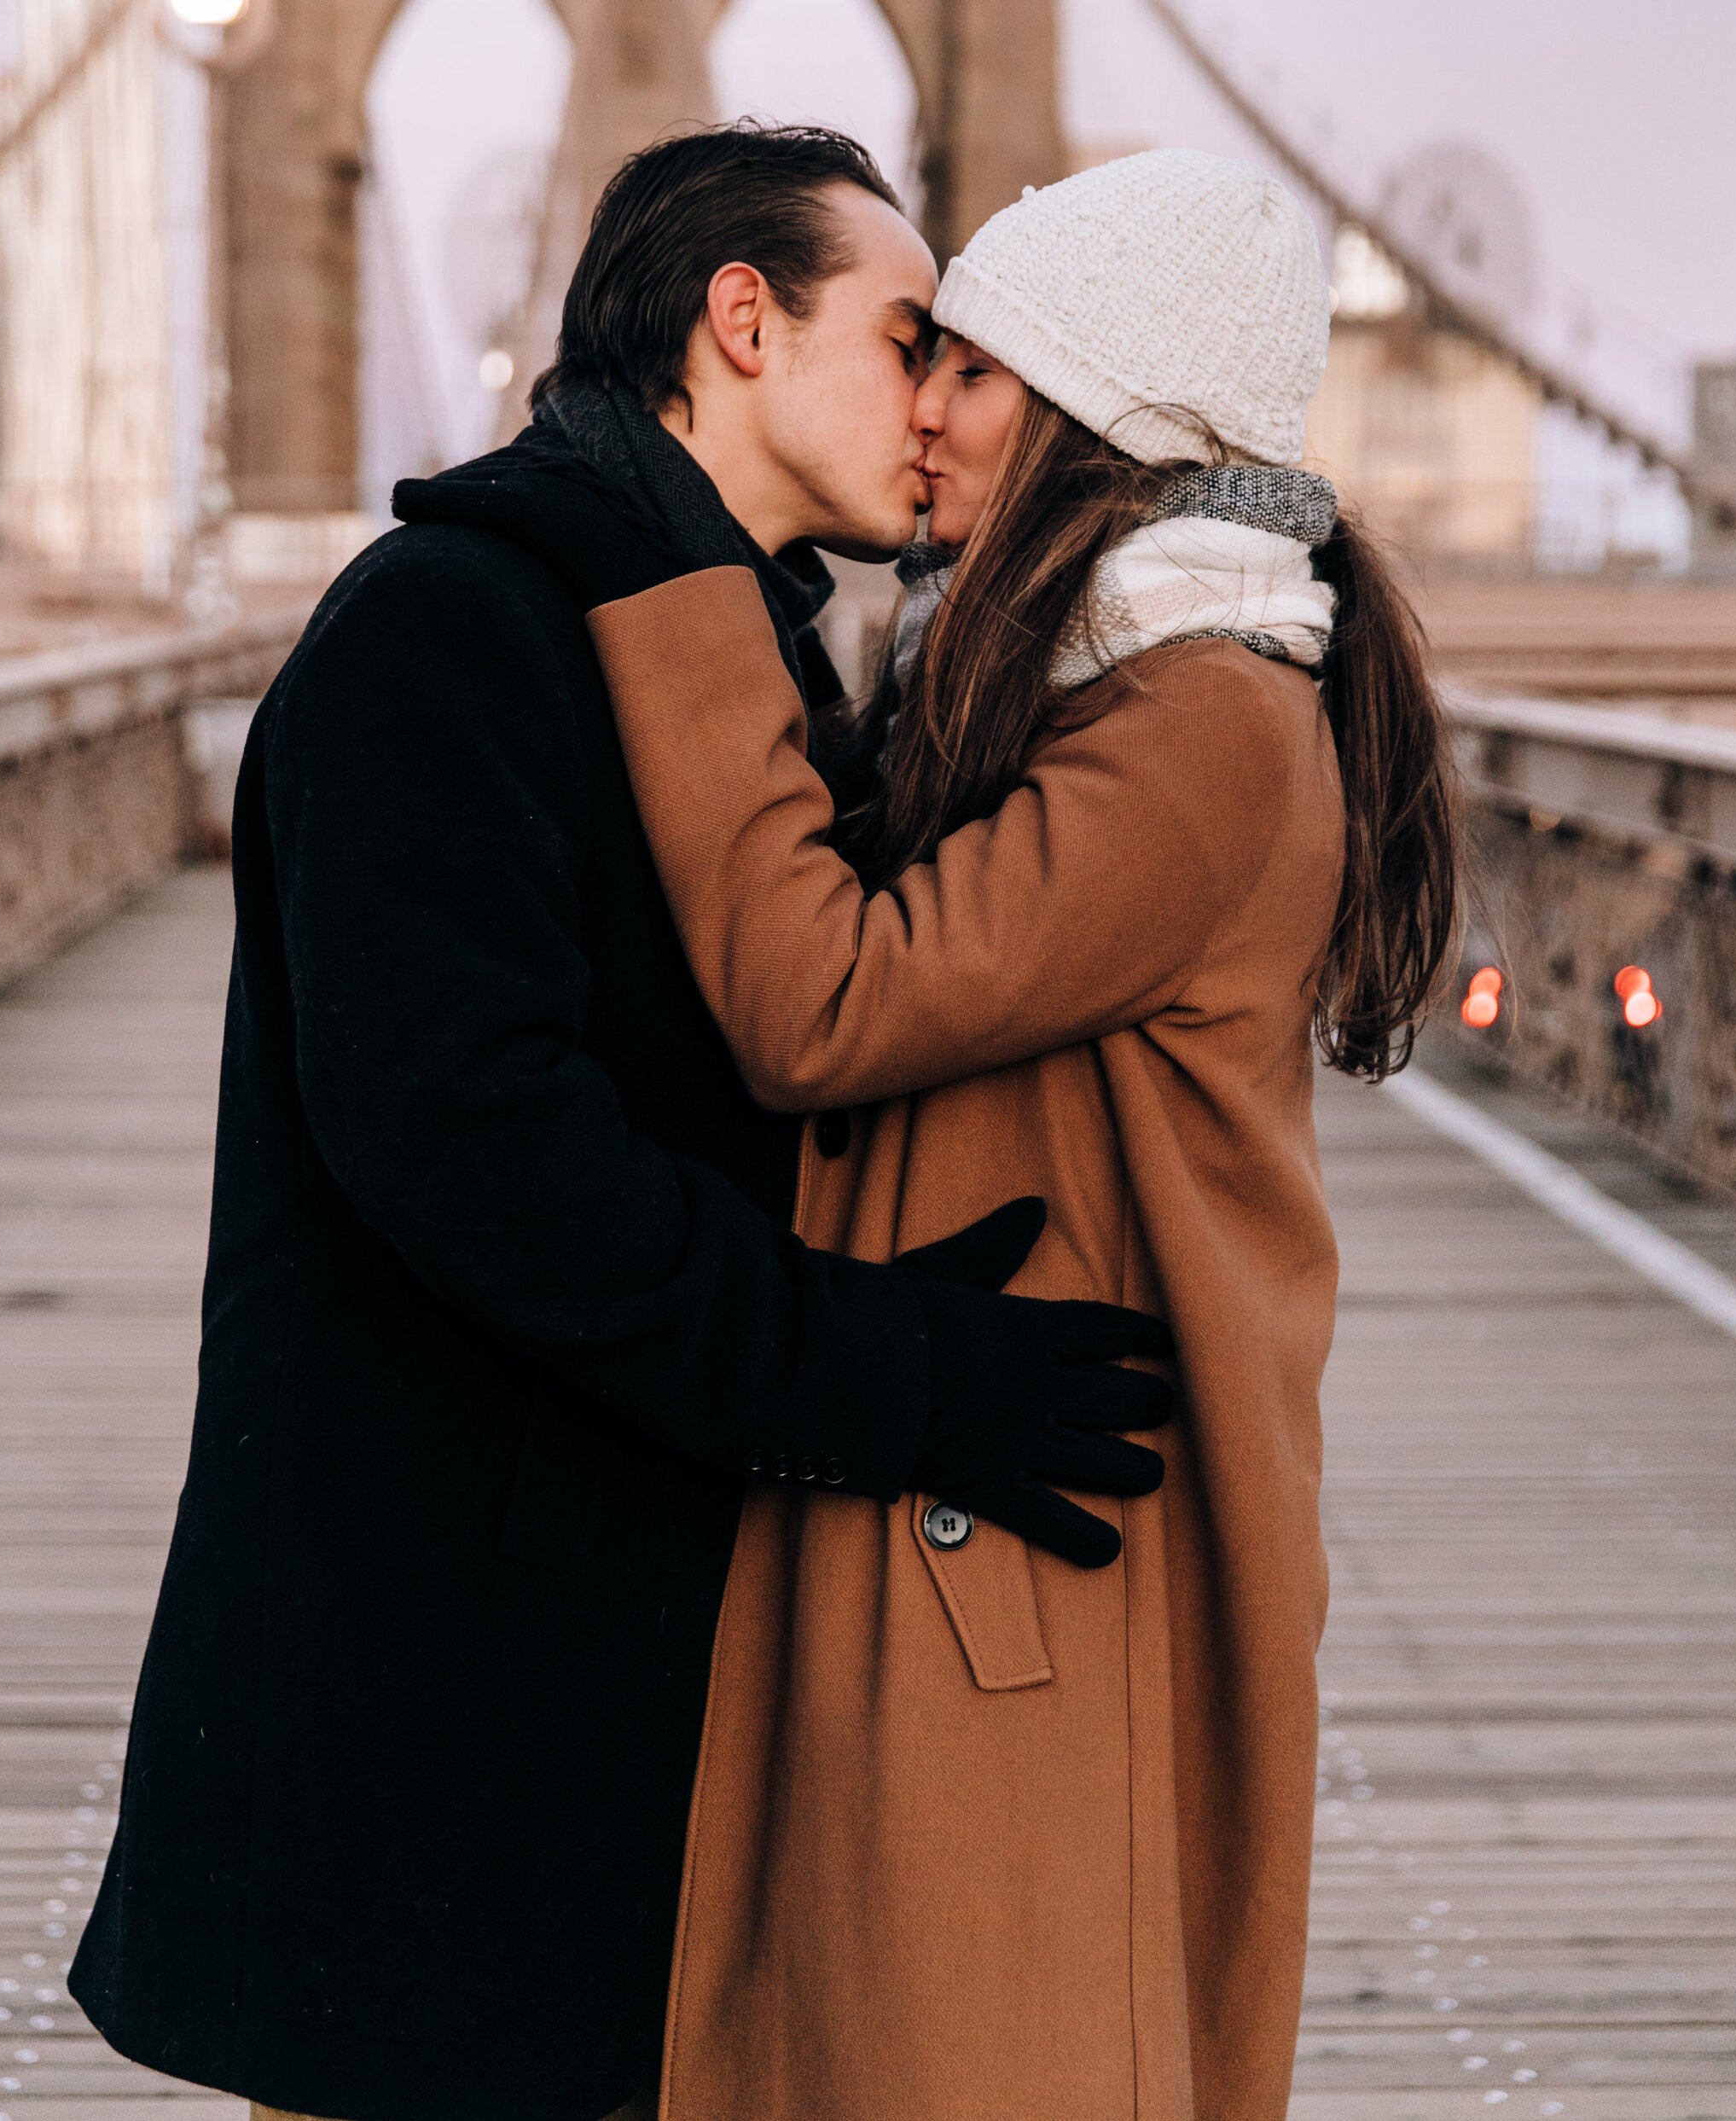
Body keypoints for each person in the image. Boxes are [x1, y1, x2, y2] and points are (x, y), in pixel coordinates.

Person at [69, 125, 1179, 2121]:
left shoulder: (728, 643)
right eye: (907, 335)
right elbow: (464, 1145)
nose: (937, 402)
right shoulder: (450, 625)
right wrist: (885, 1374)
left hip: (596, 1667)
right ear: (736, 324)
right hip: (427, 1690)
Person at [558, 148, 1463, 2121]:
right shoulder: (1060, 685)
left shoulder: (1202, 721)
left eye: (966, 369)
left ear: (1089, 416)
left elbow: (829, 1001)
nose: (923, 407)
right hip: (963, 1483)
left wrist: (680, 587)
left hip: (1044, 1551)